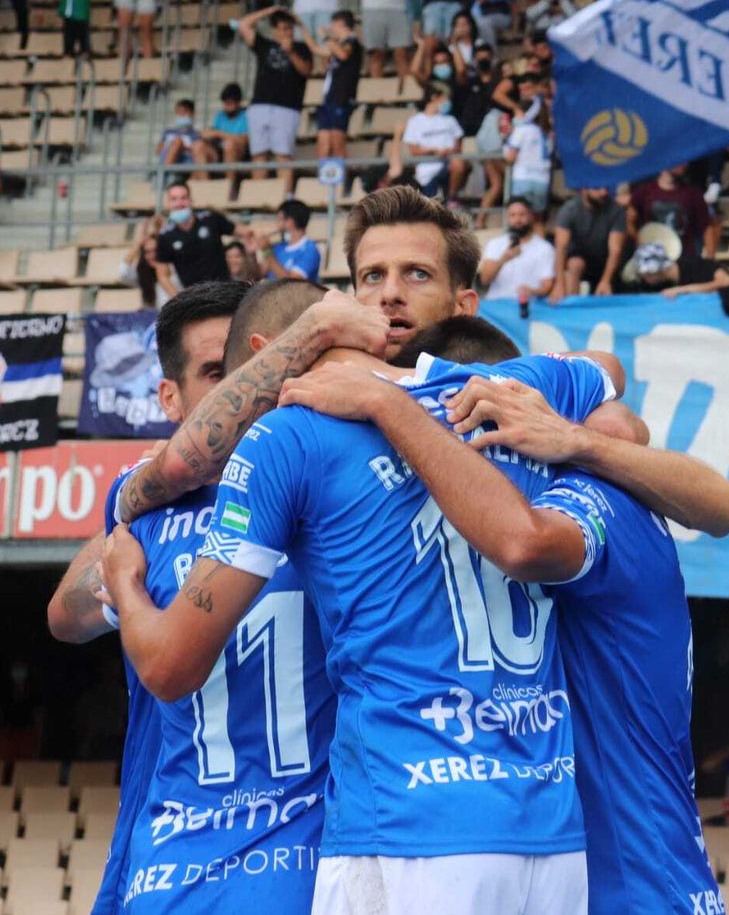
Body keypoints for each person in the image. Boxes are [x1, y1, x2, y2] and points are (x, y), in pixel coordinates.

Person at [99, 284, 626, 912]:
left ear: (269, 359)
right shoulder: (503, 390)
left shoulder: (282, 441)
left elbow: (166, 664)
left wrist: (126, 584)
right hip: (549, 826)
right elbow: (611, 383)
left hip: (402, 823)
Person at [274, 324, 729, 915]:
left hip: (633, 881)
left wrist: (386, 401)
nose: (622, 421)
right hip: (615, 865)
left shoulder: (598, 503)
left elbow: (525, 539)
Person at [97, 281, 335, 913]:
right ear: (169, 398)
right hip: (174, 859)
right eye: (218, 373)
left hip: (302, 862)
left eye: (254, 367)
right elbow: (62, 613)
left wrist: (120, 570)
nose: (246, 388)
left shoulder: (142, 509)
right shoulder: (145, 510)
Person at [238, 7, 314, 189]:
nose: (285, 32)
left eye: (288, 28)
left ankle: (285, 198)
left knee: (283, 155)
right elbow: (244, 24)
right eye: (281, 28)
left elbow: (306, 70)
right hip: (260, 106)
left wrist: (290, 52)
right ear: (274, 30)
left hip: (287, 108)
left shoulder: (302, 47)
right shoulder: (265, 45)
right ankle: (258, 198)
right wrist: (271, 10)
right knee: (259, 154)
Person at [155, 182, 239, 288]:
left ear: (191, 200)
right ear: (168, 203)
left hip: (224, 290)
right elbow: (162, 275)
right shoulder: (165, 236)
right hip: (194, 298)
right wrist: (178, 300)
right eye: (174, 199)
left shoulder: (210, 219)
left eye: (183, 198)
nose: (179, 203)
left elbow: (241, 232)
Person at [551, 185, 626, 301]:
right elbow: (561, 248)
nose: (603, 192)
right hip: (578, 261)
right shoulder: (569, 209)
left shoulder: (617, 210)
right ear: (584, 189)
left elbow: (615, 250)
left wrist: (606, 281)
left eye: (605, 188)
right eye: (597, 188)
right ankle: (572, 306)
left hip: (606, 263)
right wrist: (559, 284)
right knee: (575, 263)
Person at [480, 198, 556, 305]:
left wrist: (531, 291)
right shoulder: (495, 244)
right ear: (508, 218)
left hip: (528, 306)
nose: (517, 220)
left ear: (531, 216)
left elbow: (547, 286)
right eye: (513, 215)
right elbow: (485, 279)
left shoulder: (545, 248)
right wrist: (503, 259)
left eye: (522, 215)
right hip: (496, 306)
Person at [630, 165, 716, 259]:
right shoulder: (645, 191)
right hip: (652, 259)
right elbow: (629, 221)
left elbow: (707, 228)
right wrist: (639, 241)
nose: (684, 164)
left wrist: (710, 259)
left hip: (684, 259)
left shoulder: (693, 194)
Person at [401, 86, 467, 204]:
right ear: (434, 98)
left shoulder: (450, 120)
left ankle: (452, 198)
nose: (447, 103)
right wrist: (433, 151)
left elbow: (458, 146)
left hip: (447, 166)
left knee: (458, 163)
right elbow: (414, 150)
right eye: (444, 99)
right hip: (426, 172)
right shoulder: (415, 121)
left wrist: (448, 152)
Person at [314, 10, 362, 164]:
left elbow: (343, 55)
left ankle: (343, 184)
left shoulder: (352, 41)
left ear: (341, 24)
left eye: (333, 24)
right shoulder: (336, 44)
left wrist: (326, 37)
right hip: (329, 97)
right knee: (324, 146)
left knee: (337, 145)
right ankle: (325, 184)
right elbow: (323, 58)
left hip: (341, 97)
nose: (331, 28)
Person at [194, 83, 249, 189]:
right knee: (198, 146)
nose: (226, 106)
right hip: (218, 150)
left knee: (229, 145)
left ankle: (229, 188)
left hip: (238, 152)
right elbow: (213, 131)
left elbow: (243, 139)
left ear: (238, 102)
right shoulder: (220, 115)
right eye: (225, 103)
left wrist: (220, 134)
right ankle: (204, 187)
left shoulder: (246, 115)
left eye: (230, 103)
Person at [257, 199, 323, 282]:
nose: (276, 223)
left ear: (290, 221)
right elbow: (259, 274)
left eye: (279, 219)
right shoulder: (279, 247)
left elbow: (292, 283)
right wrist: (251, 254)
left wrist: (267, 251)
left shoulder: (309, 249)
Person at [118, 214, 176, 308]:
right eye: (147, 252)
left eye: (155, 251)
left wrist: (163, 233)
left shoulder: (175, 269)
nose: (151, 256)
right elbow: (123, 273)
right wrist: (138, 244)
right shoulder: (144, 274)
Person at [504, 103, 553, 212]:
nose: (515, 116)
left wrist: (505, 140)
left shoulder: (521, 130)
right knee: (537, 220)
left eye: (516, 113)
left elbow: (510, 157)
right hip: (542, 181)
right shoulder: (546, 133)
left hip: (523, 180)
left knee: (520, 219)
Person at [157, 98, 200, 172]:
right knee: (176, 143)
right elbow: (158, 151)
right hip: (166, 159)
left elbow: (196, 152)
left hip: (185, 163)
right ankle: (165, 171)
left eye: (184, 112)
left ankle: (164, 173)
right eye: (178, 112)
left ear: (192, 114)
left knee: (178, 142)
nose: (181, 115)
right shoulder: (168, 132)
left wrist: (181, 146)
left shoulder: (196, 134)